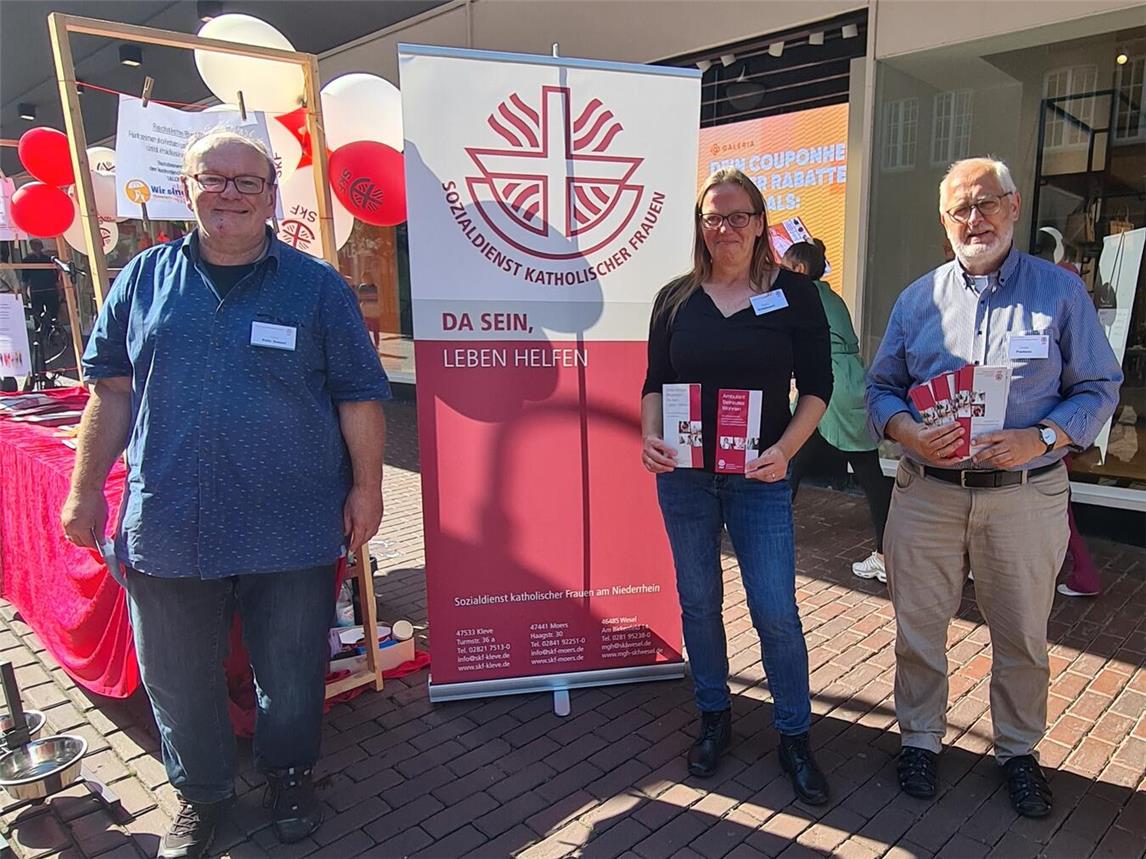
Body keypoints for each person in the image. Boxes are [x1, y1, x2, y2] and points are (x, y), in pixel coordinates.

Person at [60, 129, 391, 859]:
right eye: (216, 178)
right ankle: (202, 795)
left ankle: (290, 774)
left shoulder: (318, 287)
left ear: (272, 195)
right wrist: (85, 490)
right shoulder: (142, 279)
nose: (232, 193)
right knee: (176, 676)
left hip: (292, 521)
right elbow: (110, 393)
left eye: (249, 181)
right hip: (171, 520)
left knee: (293, 666)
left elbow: (361, 396)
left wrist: (368, 487)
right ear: (189, 188)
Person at [866, 157, 1122, 818]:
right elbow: (881, 386)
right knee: (917, 628)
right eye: (959, 208)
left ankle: (1017, 749)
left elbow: (1099, 386)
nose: (973, 219)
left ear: (1012, 206)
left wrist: (1040, 437)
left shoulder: (1060, 293)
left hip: (1025, 494)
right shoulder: (917, 299)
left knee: (1021, 636)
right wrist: (907, 432)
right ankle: (920, 736)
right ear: (944, 219)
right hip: (926, 491)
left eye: (986, 203)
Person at [641, 168, 833, 804]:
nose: (725, 228)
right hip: (688, 478)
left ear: (760, 222)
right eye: (713, 217)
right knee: (698, 602)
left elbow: (817, 389)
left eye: (738, 216)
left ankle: (794, 732)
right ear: (701, 225)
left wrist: (783, 452)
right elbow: (654, 384)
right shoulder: (675, 299)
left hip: (760, 476)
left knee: (775, 609)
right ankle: (714, 715)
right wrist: (650, 438)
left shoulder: (796, 296)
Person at [783, 241, 893, 584]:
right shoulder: (830, 296)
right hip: (849, 382)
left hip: (828, 386)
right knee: (801, 460)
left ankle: (886, 555)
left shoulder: (802, 295)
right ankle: (887, 553)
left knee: (792, 460)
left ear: (798, 270)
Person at [1033, 232, 1103, 597]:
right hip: (1061, 421)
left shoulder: (1060, 285)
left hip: (1057, 424)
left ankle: (1084, 573)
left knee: (1059, 504)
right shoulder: (1068, 280)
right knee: (1062, 504)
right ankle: (1082, 572)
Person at [21, 239, 60, 335]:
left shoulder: (47, 259)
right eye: (34, 246)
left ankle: (53, 331)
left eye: (37, 245)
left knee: (53, 312)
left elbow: (55, 277)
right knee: (37, 313)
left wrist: (59, 290)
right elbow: (25, 278)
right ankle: (40, 333)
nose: (36, 248)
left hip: (49, 289)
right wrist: (24, 293)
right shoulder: (27, 261)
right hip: (37, 290)